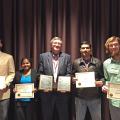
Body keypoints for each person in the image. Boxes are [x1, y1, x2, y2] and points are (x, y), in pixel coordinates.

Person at [37, 36, 72, 120]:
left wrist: (64, 85)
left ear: (61, 46)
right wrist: (43, 86)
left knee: (63, 116)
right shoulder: (43, 56)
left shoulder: (67, 57)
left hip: (62, 93)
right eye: (55, 43)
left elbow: (69, 73)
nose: (57, 45)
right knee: (47, 116)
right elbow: (40, 73)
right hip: (47, 93)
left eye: (59, 43)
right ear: (51, 45)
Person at [72, 41, 104, 120]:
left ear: (90, 49)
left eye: (87, 48)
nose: (85, 49)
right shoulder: (75, 62)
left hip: (95, 98)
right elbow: (71, 75)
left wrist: (102, 82)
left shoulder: (98, 62)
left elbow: (103, 77)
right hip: (80, 98)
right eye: (83, 48)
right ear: (80, 50)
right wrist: (72, 79)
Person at [102, 36, 120, 120]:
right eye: (111, 45)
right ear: (108, 48)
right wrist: (105, 86)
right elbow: (107, 80)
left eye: (116, 44)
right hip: (114, 101)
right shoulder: (106, 63)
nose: (113, 47)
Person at [0, 39, 15, 120]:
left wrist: (5, 84)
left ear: (1, 44)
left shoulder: (8, 57)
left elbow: (12, 73)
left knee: (3, 117)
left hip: (4, 92)